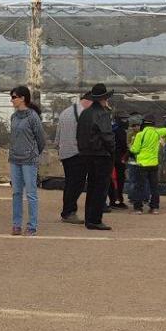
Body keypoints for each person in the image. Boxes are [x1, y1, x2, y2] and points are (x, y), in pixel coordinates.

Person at [75, 84, 116, 230]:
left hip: (86, 154)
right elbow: (107, 136)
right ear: (104, 98)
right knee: (100, 188)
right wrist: (113, 151)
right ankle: (95, 219)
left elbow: (78, 135)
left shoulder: (85, 113)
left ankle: (89, 219)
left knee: (91, 187)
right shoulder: (103, 114)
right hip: (101, 155)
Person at [8, 85, 46, 236]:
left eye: (14, 97)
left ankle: (32, 225)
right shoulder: (14, 117)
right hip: (15, 159)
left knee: (31, 193)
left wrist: (34, 153)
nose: (12, 100)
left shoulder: (33, 117)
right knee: (16, 192)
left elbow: (41, 138)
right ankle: (16, 224)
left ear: (23, 98)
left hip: (29, 160)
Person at [56, 93, 90, 223]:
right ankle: (69, 212)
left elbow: (58, 135)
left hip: (65, 153)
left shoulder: (65, 112)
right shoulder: (83, 114)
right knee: (76, 184)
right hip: (77, 153)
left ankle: (68, 211)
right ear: (88, 101)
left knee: (70, 183)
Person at [128, 115, 163, 214]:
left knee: (139, 186)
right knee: (154, 187)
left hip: (142, 164)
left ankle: (138, 208)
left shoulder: (140, 134)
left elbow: (135, 149)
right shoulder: (157, 133)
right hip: (154, 163)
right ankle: (154, 208)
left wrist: (130, 149)